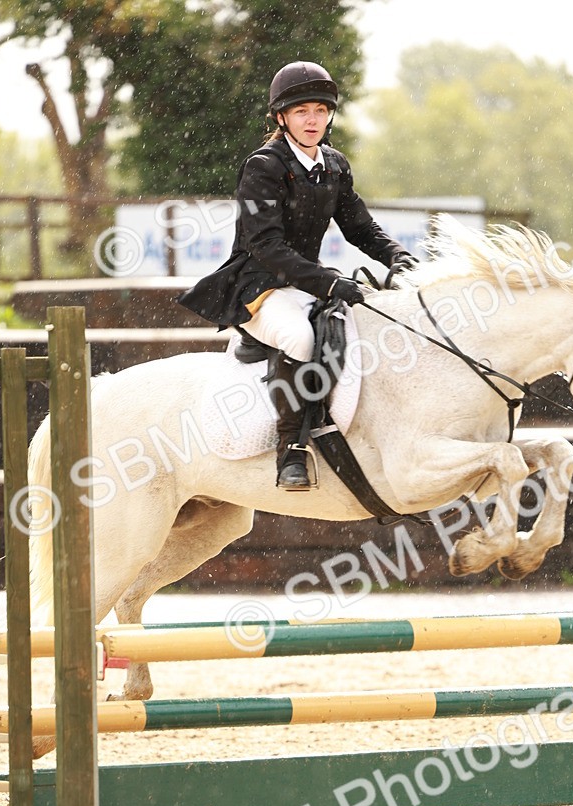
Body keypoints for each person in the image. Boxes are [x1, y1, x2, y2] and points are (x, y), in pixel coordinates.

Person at [178, 60, 418, 490]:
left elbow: (359, 226)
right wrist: (328, 282)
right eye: (302, 111)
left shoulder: (334, 164)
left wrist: (397, 256)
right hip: (259, 286)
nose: (313, 120)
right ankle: (291, 450)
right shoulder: (264, 166)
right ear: (281, 117)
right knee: (301, 338)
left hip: (304, 281)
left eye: (321, 110)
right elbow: (265, 246)